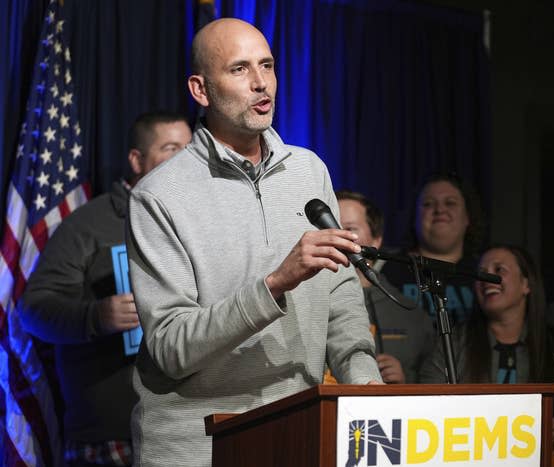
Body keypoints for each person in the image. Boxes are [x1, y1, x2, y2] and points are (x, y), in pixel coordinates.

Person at [126, 18, 382, 467]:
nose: (261, 83)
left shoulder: (309, 170)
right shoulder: (158, 195)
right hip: (199, 448)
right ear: (201, 90)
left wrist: (366, 387)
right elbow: (170, 348)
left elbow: (341, 295)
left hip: (298, 435)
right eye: (240, 69)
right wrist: (276, 283)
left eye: (267, 65)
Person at [19, 111, 192, 466]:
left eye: (189, 149)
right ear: (136, 160)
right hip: (113, 435)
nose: (184, 160)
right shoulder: (88, 225)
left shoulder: (203, 222)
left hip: (189, 426)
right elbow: (33, 310)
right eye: (171, 149)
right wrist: (97, 316)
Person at [420, 244, 554, 462]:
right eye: (482, 272)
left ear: (526, 284)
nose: (486, 278)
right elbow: (426, 410)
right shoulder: (453, 341)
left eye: (499, 270)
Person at [336, 189, 435, 384]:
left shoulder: (409, 313)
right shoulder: (304, 304)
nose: (339, 236)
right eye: (330, 227)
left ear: (376, 240)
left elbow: (434, 385)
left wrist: (404, 383)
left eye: (350, 229)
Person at [381, 172, 486, 327]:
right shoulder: (388, 270)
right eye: (428, 204)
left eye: (450, 203)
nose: (439, 210)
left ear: (467, 217)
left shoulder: (481, 272)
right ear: (414, 217)